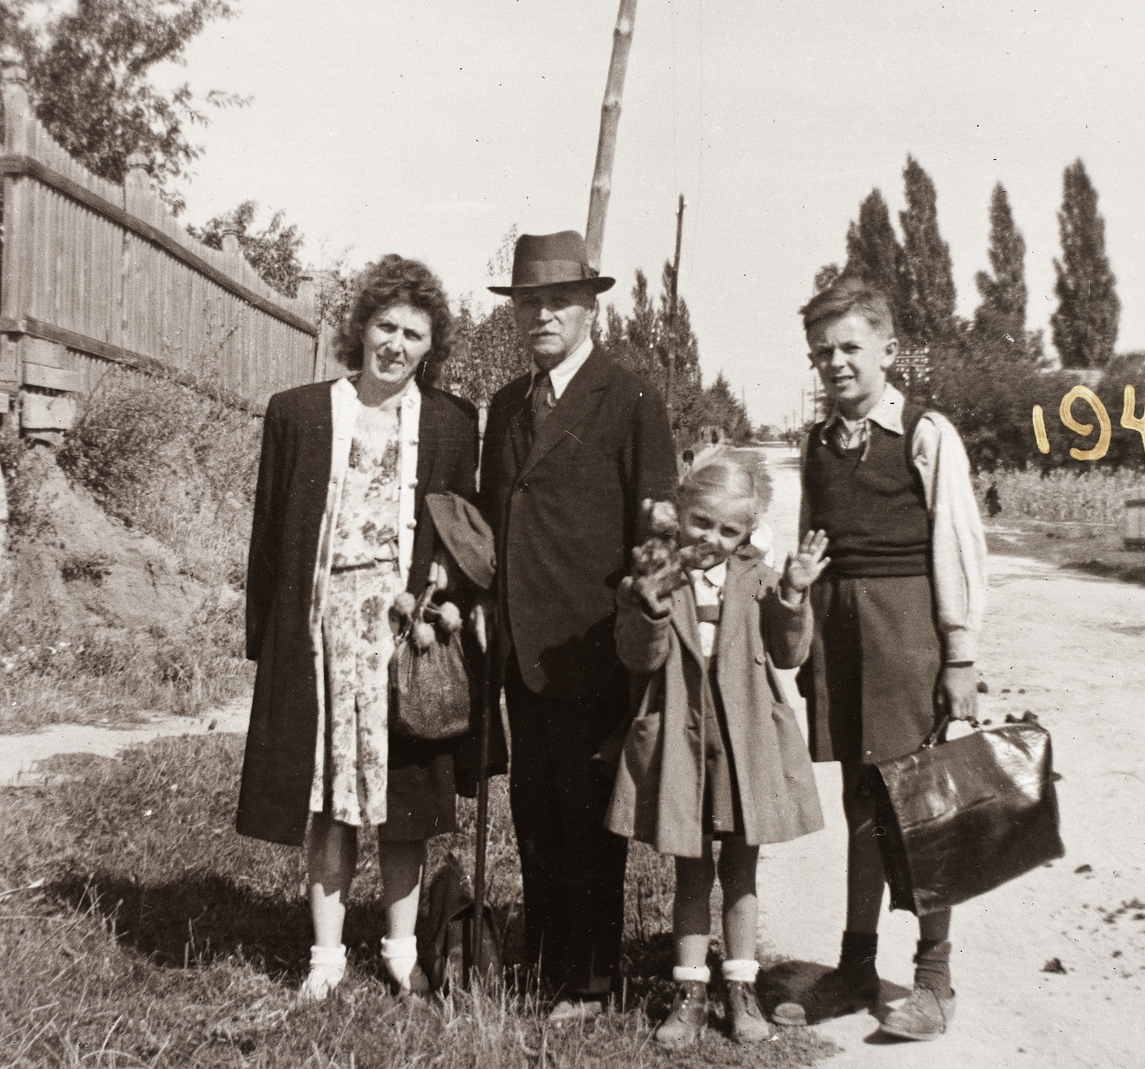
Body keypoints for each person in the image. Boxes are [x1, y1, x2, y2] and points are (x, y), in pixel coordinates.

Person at [235, 255, 480, 1000]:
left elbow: (463, 532)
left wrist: (445, 589)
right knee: (327, 794)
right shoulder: (301, 412)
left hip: (405, 636)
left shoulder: (449, 422)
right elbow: (269, 537)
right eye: (386, 326)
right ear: (360, 328)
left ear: (429, 348)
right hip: (322, 630)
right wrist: (266, 644)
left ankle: (402, 947)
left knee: (403, 796)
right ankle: (326, 957)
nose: (397, 345)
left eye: (413, 333)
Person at [780, 275, 986, 1041]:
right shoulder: (816, 443)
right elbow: (808, 547)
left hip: (906, 637)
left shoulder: (927, 433)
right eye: (821, 352)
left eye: (849, 348)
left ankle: (935, 978)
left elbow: (956, 547)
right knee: (862, 804)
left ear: (889, 351)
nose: (834, 363)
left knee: (922, 808)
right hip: (840, 634)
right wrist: (800, 627)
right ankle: (856, 965)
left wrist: (958, 655)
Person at [479, 230, 677, 1021]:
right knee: (536, 804)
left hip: (598, 645)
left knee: (591, 813)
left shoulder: (628, 398)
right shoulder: (506, 406)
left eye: (558, 300)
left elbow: (657, 526)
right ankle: (545, 948)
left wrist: (646, 625)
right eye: (529, 301)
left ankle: (591, 979)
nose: (542, 314)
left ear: (591, 306)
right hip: (524, 648)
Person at [604, 452, 829, 1046]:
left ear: (749, 530)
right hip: (682, 736)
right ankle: (689, 994)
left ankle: (742, 990)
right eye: (701, 522)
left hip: (741, 739)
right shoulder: (652, 576)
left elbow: (788, 654)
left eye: (731, 530)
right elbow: (638, 658)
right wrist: (649, 606)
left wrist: (794, 597)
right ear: (679, 511)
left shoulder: (758, 577)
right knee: (691, 870)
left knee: (742, 870)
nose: (713, 539)